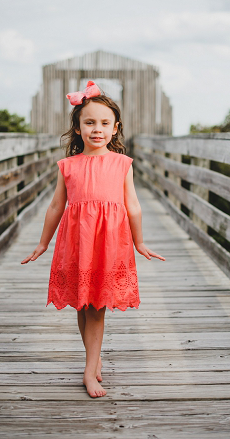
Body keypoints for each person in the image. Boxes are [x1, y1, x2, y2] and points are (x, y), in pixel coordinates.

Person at [21, 81, 165, 398]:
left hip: (109, 242)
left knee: (97, 306)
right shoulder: (67, 166)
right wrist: (43, 243)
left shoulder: (122, 164)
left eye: (104, 123)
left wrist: (139, 243)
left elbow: (134, 206)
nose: (96, 129)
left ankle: (89, 371)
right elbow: (56, 205)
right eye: (89, 122)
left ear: (115, 129)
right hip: (77, 242)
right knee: (82, 302)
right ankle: (93, 360)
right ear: (77, 129)